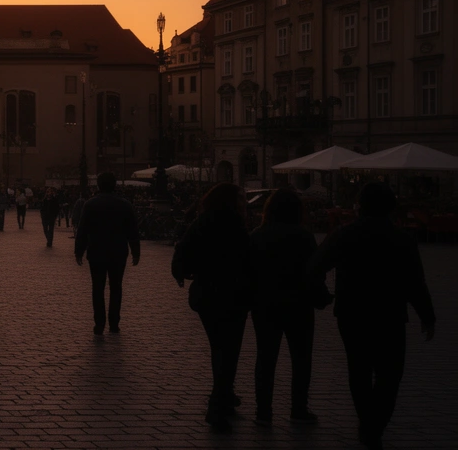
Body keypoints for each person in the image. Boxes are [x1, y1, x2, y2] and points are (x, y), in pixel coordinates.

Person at [308, 182, 436, 450]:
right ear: (391, 207)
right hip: (389, 314)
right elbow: (415, 281)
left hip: (351, 312)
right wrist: (427, 315)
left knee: (359, 370)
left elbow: (316, 266)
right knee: (390, 375)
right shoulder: (402, 238)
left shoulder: (343, 234)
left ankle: (368, 423)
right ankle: (373, 426)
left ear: (360, 205)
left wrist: (321, 294)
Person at [172, 183, 252, 434]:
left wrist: (184, 273)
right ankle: (217, 404)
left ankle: (224, 395)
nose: (243, 202)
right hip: (231, 294)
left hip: (206, 294)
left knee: (219, 347)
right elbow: (247, 258)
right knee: (228, 350)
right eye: (240, 197)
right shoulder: (236, 224)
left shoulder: (202, 221)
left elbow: (182, 252)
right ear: (229, 200)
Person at [250, 188, 328, 424]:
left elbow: (248, 270)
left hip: (265, 304)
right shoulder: (303, 236)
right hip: (298, 303)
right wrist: (320, 294)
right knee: (301, 359)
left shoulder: (256, 235)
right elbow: (315, 270)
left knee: (265, 358)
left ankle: (263, 412)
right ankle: (298, 409)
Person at [74, 172, 140, 336]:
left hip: (97, 251)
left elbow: (82, 230)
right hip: (118, 251)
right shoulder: (125, 205)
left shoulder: (90, 204)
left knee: (98, 288)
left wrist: (79, 251)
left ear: (98, 185)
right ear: (114, 185)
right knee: (116, 287)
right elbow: (133, 230)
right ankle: (114, 322)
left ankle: (99, 323)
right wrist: (135, 251)